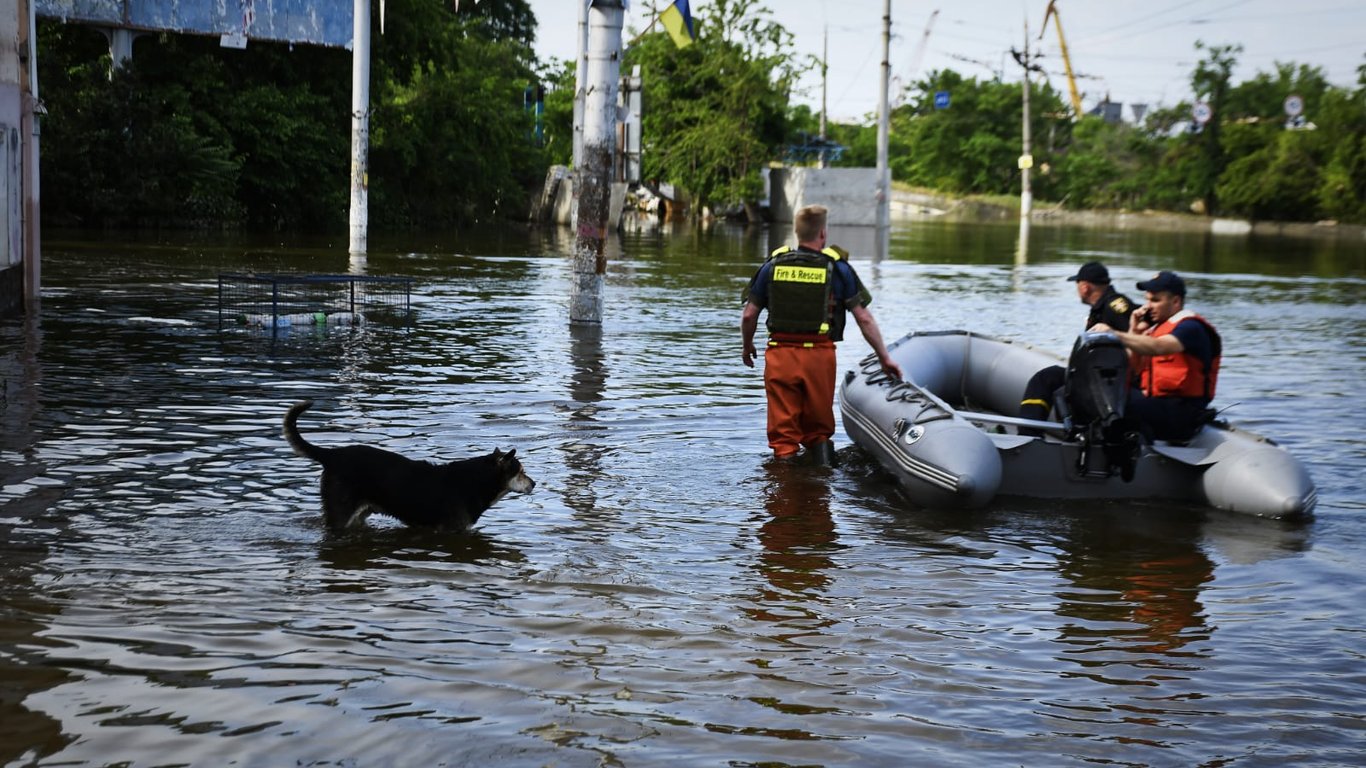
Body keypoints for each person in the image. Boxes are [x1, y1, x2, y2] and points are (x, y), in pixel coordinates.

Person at [741, 205, 902, 462]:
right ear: (823, 233)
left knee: (783, 436)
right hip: (819, 356)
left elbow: (749, 315)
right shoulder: (838, 269)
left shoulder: (772, 265)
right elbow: (864, 318)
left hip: (780, 355)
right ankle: (821, 478)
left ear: (797, 232)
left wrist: (747, 345)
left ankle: (783, 480)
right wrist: (884, 357)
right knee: (818, 430)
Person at [1090, 270, 1222, 441]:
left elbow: (1160, 347)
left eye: (1155, 300)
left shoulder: (1190, 328)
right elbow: (1131, 368)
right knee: (1104, 392)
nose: (1148, 306)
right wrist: (1134, 331)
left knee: (1114, 402)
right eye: (1147, 300)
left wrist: (1115, 334)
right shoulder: (1155, 329)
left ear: (1176, 301)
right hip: (1159, 405)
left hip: (1182, 414)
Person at [1018, 261, 1136, 427]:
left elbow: (1133, 339)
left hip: (1108, 381)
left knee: (1045, 378)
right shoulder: (1102, 307)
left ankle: (1029, 432)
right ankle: (1033, 428)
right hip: (1095, 375)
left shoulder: (1114, 306)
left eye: (1077, 285)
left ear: (1085, 287)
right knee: (1048, 377)